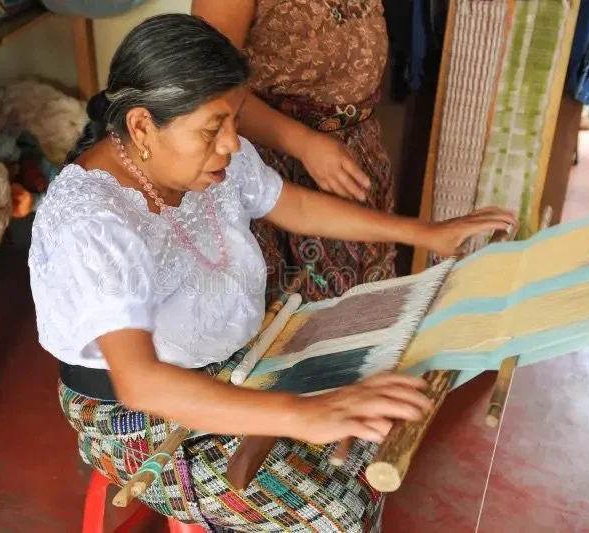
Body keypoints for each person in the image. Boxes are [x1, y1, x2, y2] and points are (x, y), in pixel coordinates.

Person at [29, 14, 516, 532]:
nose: (232, 143)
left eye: (234, 119)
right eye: (213, 128)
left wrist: (425, 234)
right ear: (142, 126)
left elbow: (293, 205)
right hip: (134, 414)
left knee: (365, 446)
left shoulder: (206, 158)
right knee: (336, 507)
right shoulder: (94, 223)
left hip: (236, 357)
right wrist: (304, 414)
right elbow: (141, 382)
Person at [192, 0, 401, 302]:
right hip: (278, 164)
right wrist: (303, 143)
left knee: (366, 312)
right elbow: (210, 90)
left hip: (357, 153)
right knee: (299, 319)